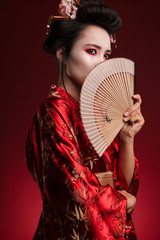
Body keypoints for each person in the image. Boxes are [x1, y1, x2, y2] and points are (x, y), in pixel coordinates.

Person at [25, 0, 144, 239]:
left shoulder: (100, 112)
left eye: (107, 54)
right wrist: (122, 202)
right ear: (63, 54)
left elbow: (125, 186)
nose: (102, 62)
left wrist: (126, 138)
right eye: (92, 51)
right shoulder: (52, 111)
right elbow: (77, 192)